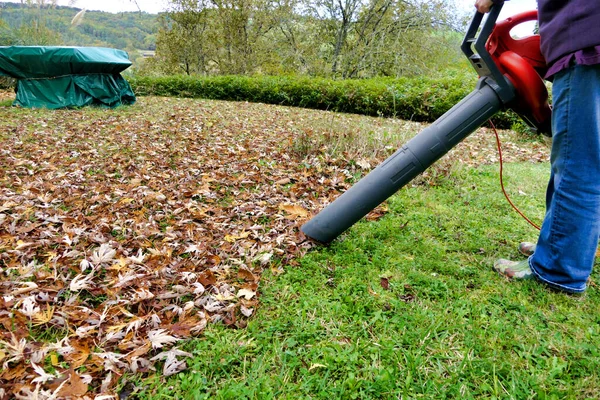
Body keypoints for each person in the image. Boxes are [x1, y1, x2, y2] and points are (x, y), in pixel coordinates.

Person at [475, 0, 600, 293]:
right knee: (588, 160)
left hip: (585, 42)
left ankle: (557, 268)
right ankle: (561, 246)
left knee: (576, 162)